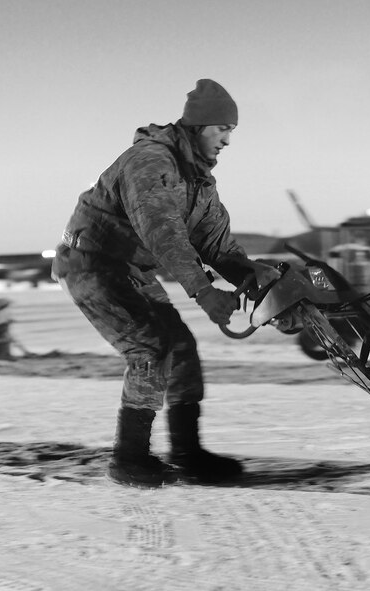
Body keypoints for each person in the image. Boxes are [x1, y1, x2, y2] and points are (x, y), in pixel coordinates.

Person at [51, 79, 280, 488]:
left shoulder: (198, 181)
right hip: (93, 263)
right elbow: (163, 232)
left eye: (232, 131)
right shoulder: (152, 162)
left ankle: (188, 455)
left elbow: (214, 243)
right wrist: (205, 293)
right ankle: (129, 458)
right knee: (151, 346)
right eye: (222, 129)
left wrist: (253, 275)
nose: (228, 140)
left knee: (181, 348)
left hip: (130, 269)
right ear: (197, 126)